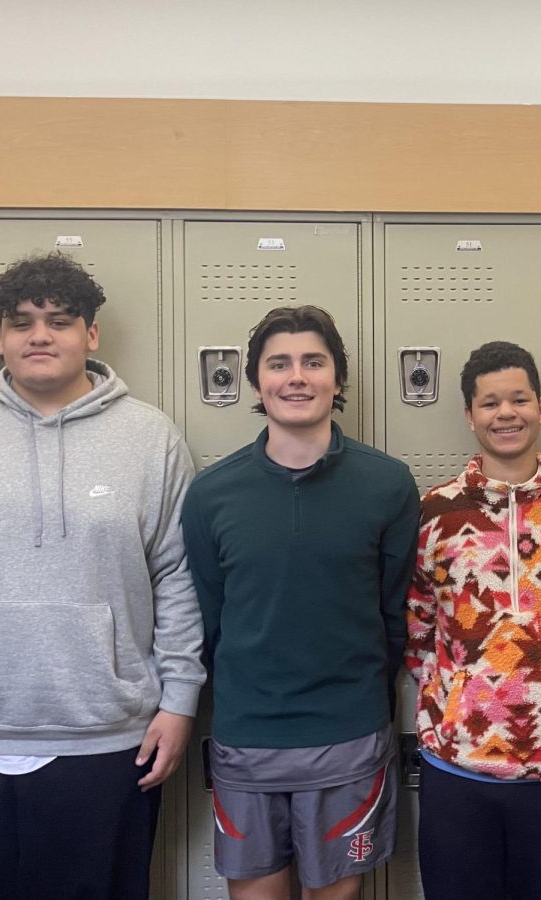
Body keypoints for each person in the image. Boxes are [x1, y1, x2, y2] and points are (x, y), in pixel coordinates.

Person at [0, 253, 206, 900]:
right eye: (21, 323)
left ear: (91, 334)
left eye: (59, 321)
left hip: (106, 738)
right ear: (1, 339)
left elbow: (178, 579)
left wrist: (179, 700)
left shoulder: (148, 437)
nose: (39, 335)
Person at [181, 305, 420, 900]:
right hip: (246, 737)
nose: (297, 377)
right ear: (256, 381)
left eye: (314, 362)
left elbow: (395, 617)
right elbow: (208, 620)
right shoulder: (212, 494)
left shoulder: (387, 483)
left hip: (349, 734)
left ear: (338, 379)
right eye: (279, 363)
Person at [405, 341, 541, 900]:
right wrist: (454, 701)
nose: (506, 414)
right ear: (470, 416)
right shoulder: (436, 514)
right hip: (457, 766)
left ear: (540, 408)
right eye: (490, 403)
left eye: (518, 399)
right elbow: (418, 625)